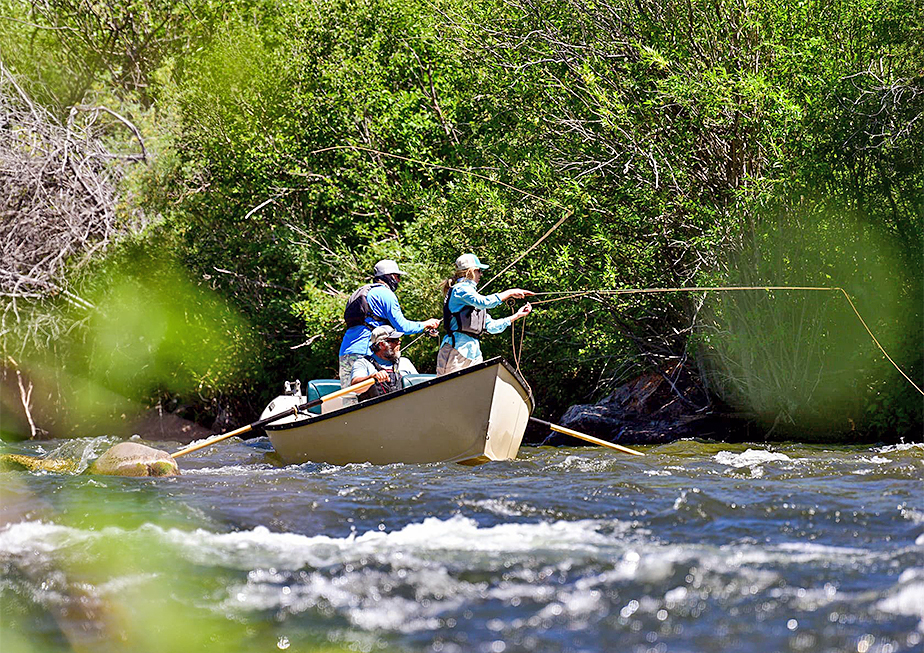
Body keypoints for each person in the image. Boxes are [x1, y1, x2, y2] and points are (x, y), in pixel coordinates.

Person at [338, 259, 439, 390]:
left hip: (346, 351)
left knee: (349, 397)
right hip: (366, 352)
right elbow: (402, 327)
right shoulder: (385, 294)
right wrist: (426, 324)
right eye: (397, 276)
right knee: (372, 397)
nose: (399, 280)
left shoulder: (361, 292)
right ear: (389, 276)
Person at [436, 253, 534, 375]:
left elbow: (492, 326)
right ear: (471, 271)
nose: (481, 274)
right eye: (479, 271)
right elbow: (485, 302)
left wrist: (518, 315)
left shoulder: (473, 296)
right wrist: (510, 292)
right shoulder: (460, 289)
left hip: (474, 353)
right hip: (456, 350)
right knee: (449, 391)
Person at [350, 325, 418, 401]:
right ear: (382, 344)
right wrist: (372, 377)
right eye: (394, 340)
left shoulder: (405, 362)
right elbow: (355, 388)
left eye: (398, 340)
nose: (399, 343)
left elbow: (420, 385)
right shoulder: (363, 363)